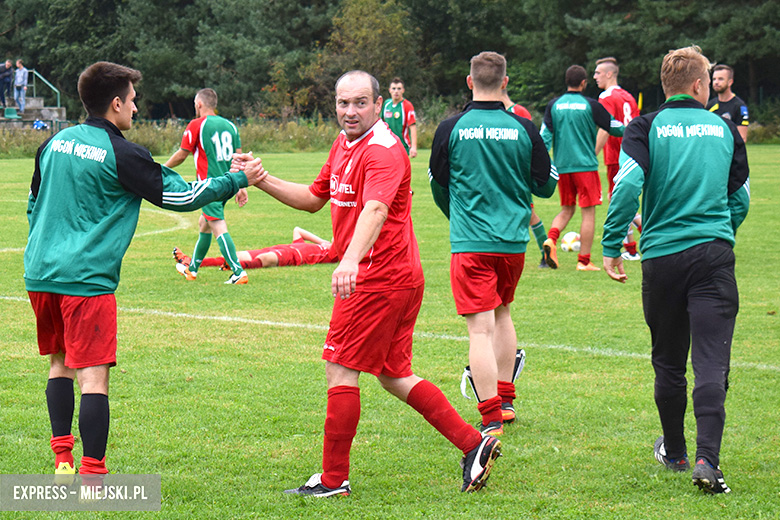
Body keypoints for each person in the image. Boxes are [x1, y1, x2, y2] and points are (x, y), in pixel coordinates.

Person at [233, 70, 501, 496]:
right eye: (343, 103)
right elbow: (314, 198)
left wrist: (350, 259)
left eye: (360, 102)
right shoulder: (344, 143)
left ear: (379, 105)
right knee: (394, 375)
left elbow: (375, 210)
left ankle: (333, 480)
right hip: (395, 275)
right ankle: (473, 444)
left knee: (340, 367)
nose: (350, 111)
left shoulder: (382, 150)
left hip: (378, 278)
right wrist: (261, 179)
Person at [23, 62, 263, 479]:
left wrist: (50, 248)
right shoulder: (122, 153)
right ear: (116, 104)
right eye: (133, 101)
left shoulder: (53, 143)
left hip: (40, 274)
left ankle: (62, 460)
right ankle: (92, 477)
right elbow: (184, 196)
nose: (136, 108)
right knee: (93, 377)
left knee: (59, 363)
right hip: (86, 281)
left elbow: (33, 203)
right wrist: (237, 179)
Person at [602, 45, 749, 495]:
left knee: (668, 360)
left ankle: (677, 452)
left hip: (662, 258)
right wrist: (720, 232)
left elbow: (628, 183)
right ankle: (708, 460)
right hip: (713, 256)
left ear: (667, 86)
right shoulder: (725, 129)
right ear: (701, 85)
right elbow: (740, 199)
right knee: (711, 360)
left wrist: (612, 243)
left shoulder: (645, 126)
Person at [429, 51, 557, 436]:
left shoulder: (450, 128)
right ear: (505, 83)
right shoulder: (524, 127)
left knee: (479, 330)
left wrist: (459, 218)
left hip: (470, 242)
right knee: (502, 314)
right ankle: (506, 400)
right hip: (512, 242)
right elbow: (547, 185)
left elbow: (438, 185)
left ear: (470, 82)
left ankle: (490, 417)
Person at [540, 65, 624, 271]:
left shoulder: (553, 105)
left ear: (566, 82)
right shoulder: (591, 105)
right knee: (588, 213)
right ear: (583, 83)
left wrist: (541, 160)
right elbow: (612, 127)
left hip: (562, 167)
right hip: (585, 166)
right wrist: (632, 129)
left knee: (567, 209)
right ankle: (584, 261)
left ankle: (551, 239)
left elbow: (544, 137)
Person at [165, 88, 248, 285]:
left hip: (210, 186)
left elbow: (182, 154)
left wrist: (162, 168)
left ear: (199, 104)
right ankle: (192, 269)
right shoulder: (230, 126)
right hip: (228, 183)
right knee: (205, 223)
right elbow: (239, 157)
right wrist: (241, 186)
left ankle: (238, 271)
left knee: (218, 225)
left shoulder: (197, 125)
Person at [593, 57, 642, 261]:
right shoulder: (628, 96)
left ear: (609, 74)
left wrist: (593, 153)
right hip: (635, 152)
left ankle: (636, 244)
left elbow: (606, 127)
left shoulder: (606, 97)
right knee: (623, 200)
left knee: (618, 201)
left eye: (598, 73)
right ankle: (631, 249)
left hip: (617, 154)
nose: (595, 77)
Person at [500, 88, 549, 268]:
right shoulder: (493, 112)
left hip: (516, 173)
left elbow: (531, 143)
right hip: (500, 172)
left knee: (528, 214)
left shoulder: (519, 112)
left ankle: (546, 254)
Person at [173, 226, 338, 270]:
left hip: (293, 257)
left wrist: (329, 245)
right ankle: (191, 261)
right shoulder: (322, 246)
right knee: (235, 254)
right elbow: (297, 230)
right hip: (281, 247)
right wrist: (322, 241)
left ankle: (237, 267)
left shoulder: (334, 254)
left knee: (266, 259)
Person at [706, 64, 749, 142]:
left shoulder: (740, 106)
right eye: (714, 79)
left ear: (730, 82)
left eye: (720, 79)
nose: (716, 82)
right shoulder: (710, 105)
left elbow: (742, 138)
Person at [381, 77, 418, 158]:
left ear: (403, 90)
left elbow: (412, 127)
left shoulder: (407, 105)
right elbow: (380, 123)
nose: (396, 91)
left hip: (402, 146)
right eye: (394, 88)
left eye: (399, 89)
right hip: (387, 145)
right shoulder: (386, 104)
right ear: (389, 90)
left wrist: (414, 147)